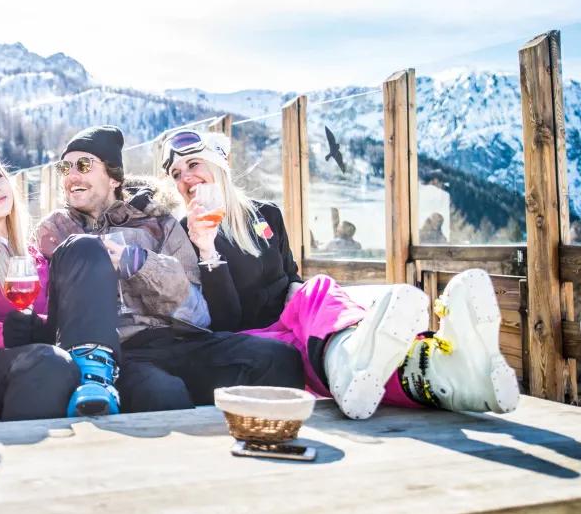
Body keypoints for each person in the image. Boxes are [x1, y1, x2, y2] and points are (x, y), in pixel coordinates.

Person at [162, 129, 520, 419]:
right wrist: (206, 247)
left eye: (194, 164)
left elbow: (290, 277)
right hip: (250, 338)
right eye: (176, 174)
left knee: (314, 292)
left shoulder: (265, 215)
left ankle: (453, 375)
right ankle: (406, 366)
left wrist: (316, 317)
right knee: (309, 330)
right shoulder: (182, 234)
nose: (185, 178)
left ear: (220, 164)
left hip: (297, 322)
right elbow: (224, 321)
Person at [32, 125, 305, 413]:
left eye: (83, 165)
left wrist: (140, 263)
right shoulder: (56, 230)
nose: (72, 175)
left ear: (113, 177)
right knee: (164, 395)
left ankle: (267, 442)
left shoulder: (160, 223)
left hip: (184, 340)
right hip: (125, 353)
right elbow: (47, 304)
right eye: (65, 167)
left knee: (278, 358)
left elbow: (197, 311)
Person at [0, 138, 122, 419]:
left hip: (41, 350)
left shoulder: (31, 249)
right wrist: (9, 335)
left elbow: (54, 316)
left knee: (84, 246)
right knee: (51, 364)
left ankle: (95, 379)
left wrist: (45, 329)